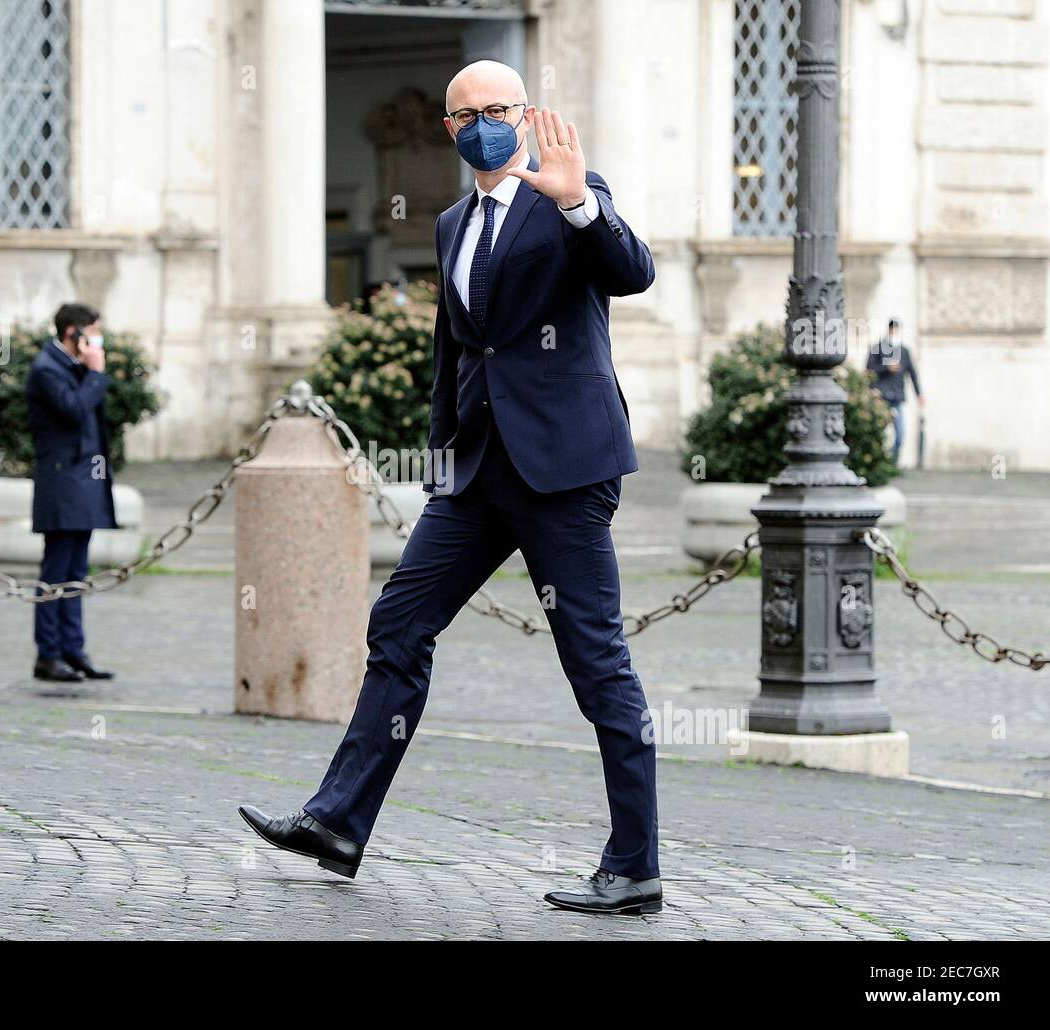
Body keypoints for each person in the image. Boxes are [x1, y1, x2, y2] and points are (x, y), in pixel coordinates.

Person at [239, 61, 661, 914]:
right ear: (448, 128)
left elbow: (632, 271)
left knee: (595, 661)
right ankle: (337, 822)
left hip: (564, 471)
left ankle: (635, 864)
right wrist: (441, 459)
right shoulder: (450, 222)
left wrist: (581, 202)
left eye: (497, 109)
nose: (481, 125)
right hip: (475, 473)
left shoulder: (570, 194)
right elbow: (456, 353)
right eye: (464, 114)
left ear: (525, 112)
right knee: (398, 623)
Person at [24, 302, 117, 683]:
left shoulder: (70, 367)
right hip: (63, 482)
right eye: (92, 332)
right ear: (73, 333)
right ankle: (48, 654)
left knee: (76, 571)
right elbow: (74, 410)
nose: (97, 340)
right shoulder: (47, 369)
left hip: (84, 481)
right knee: (56, 570)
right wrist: (95, 374)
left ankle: (73, 650)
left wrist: (88, 371)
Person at [866, 318, 924, 464]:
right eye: (892, 329)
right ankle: (878, 462)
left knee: (900, 434)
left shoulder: (904, 352)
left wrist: (919, 394)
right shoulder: (878, 348)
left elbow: (912, 373)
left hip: (896, 398)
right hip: (881, 398)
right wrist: (887, 368)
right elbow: (869, 369)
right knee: (878, 433)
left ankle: (892, 463)